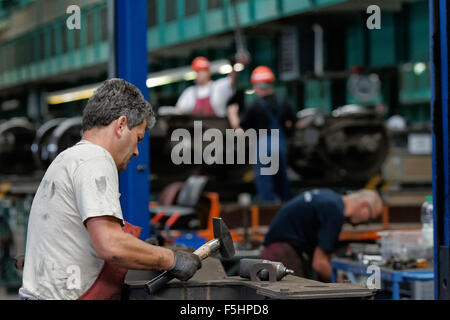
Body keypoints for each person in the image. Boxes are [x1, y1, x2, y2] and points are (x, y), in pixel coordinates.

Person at [18, 79, 201, 300]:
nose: (136, 152)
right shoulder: (96, 159)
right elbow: (111, 245)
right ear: (121, 125)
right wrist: (171, 259)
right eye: (138, 139)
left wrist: (141, 250)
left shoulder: (69, 158)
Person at [261, 189, 383, 282]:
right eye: (370, 218)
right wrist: (345, 286)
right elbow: (319, 264)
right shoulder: (334, 211)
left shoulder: (330, 198)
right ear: (364, 206)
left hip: (278, 251)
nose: (367, 223)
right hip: (282, 254)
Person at [227, 66, 297, 203]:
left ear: (257, 87)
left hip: (264, 148)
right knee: (282, 182)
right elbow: (294, 123)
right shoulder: (284, 103)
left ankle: (268, 214)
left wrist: (232, 115)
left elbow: (240, 130)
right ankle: (287, 210)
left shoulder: (255, 106)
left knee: (265, 185)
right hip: (281, 147)